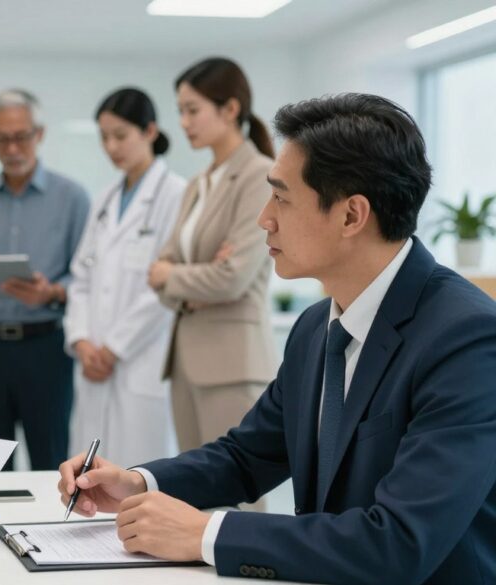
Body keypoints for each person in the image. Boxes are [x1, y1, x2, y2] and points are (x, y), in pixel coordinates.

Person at [58, 93, 496, 585]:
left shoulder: (467, 339)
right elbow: (248, 457)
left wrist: (206, 534)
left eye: (281, 197)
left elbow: (398, 542)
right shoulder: (315, 328)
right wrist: (137, 481)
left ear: (352, 216)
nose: (264, 218)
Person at [0, 89, 89, 471]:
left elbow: (87, 279)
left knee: (52, 459)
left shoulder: (73, 198)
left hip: (45, 348)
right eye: (2, 139)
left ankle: (49, 532)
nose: (13, 148)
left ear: (39, 134)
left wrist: (51, 292)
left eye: (21, 136)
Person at [146, 57, 277, 454]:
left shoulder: (260, 174)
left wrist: (175, 275)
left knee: (236, 500)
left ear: (231, 109)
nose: (184, 122)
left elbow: (233, 276)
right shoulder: (198, 184)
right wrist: (185, 278)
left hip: (232, 364)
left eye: (192, 110)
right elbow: (157, 273)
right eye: (180, 112)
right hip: (186, 362)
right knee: (192, 495)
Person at [64, 87, 186, 465]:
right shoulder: (103, 200)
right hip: (93, 361)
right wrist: (82, 341)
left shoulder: (176, 194)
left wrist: (115, 347)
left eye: (120, 135)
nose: (111, 147)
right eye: (104, 137)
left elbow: (165, 286)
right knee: (86, 474)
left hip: (140, 357)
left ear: (149, 131)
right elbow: (81, 277)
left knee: (140, 472)